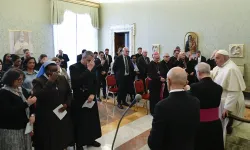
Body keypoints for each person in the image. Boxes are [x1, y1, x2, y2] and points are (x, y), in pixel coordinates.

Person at [148, 67, 200, 150]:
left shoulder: (162, 106)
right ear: (186, 82)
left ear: (168, 81)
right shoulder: (195, 101)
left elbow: (154, 141)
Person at [32, 61, 74, 150]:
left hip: (61, 112)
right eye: (51, 71)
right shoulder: (38, 81)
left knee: (61, 135)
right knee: (49, 138)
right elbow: (38, 96)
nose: (54, 73)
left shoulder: (62, 78)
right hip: (47, 114)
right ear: (46, 70)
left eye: (56, 71)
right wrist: (50, 82)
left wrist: (66, 104)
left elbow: (69, 93)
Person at [211, 50, 247, 142]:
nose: (215, 60)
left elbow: (233, 92)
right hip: (222, 99)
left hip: (230, 102)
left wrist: (227, 108)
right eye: (215, 58)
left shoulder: (231, 69)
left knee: (228, 126)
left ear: (225, 58)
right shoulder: (222, 65)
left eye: (218, 58)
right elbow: (213, 73)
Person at [70, 51, 101, 150]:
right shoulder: (74, 67)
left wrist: (93, 94)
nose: (90, 62)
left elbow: (95, 82)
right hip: (80, 99)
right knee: (81, 122)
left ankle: (91, 139)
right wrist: (88, 69)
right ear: (83, 58)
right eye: (88, 60)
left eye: (92, 60)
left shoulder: (92, 67)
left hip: (91, 98)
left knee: (92, 120)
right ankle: (79, 144)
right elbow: (76, 82)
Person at [188, 63, 224, 150]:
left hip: (200, 125)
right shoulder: (219, 87)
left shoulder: (194, 87)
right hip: (215, 124)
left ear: (198, 73)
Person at [0, 68, 37, 150]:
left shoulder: (22, 90)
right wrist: (27, 103)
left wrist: (32, 115)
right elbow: (8, 111)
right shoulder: (4, 92)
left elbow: (30, 107)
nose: (21, 81)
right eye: (18, 79)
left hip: (24, 128)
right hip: (11, 129)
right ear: (10, 79)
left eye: (22, 79)